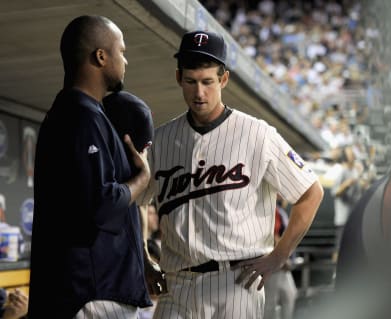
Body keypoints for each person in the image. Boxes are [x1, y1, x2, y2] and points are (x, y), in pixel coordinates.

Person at [139, 30, 324, 319]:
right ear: (179, 78)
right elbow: (132, 200)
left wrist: (279, 255)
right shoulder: (160, 139)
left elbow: (311, 192)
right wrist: (144, 258)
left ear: (223, 79)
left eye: (207, 82)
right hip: (177, 284)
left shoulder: (258, 133)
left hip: (236, 281)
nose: (199, 92)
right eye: (191, 82)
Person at [28, 15, 154, 319]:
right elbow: (102, 204)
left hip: (91, 292)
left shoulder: (79, 113)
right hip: (92, 295)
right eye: (121, 51)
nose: (125, 61)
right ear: (101, 56)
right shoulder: (81, 115)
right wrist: (142, 178)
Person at [263, 197, 299, 319]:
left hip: (282, 264)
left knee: (289, 295)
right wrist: (282, 257)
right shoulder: (272, 210)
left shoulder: (280, 211)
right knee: (270, 303)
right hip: (274, 263)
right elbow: (273, 236)